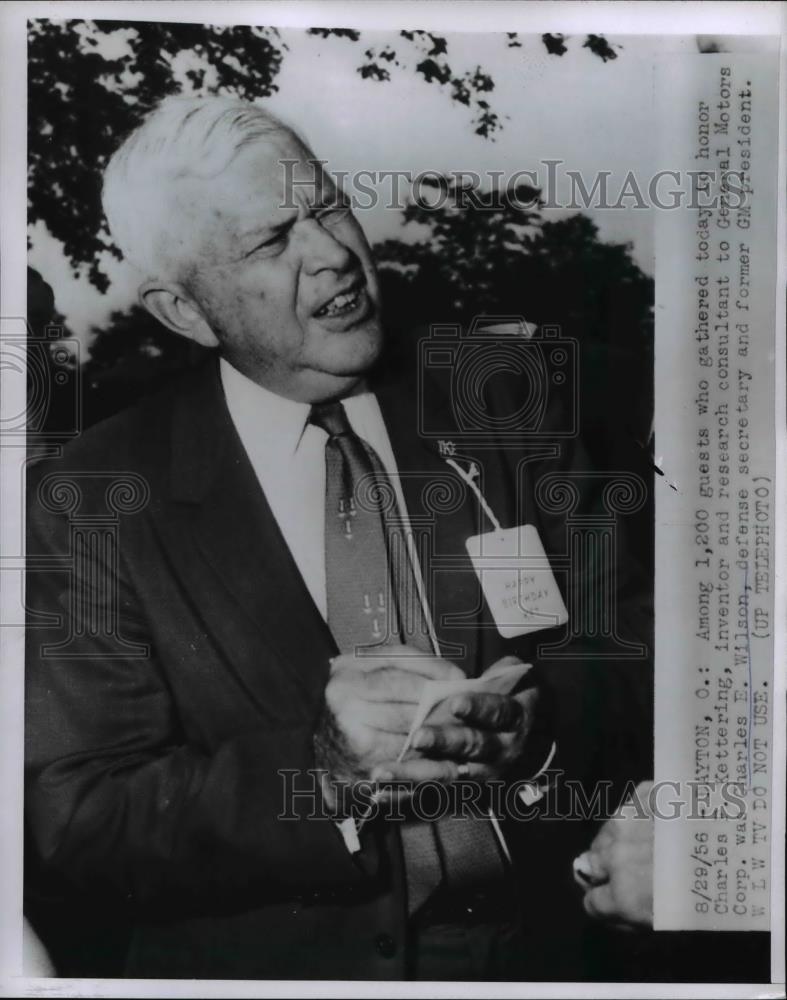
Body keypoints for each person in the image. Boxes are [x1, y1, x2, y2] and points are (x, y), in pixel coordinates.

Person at [24, 96, 653, 981]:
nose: (331, 253)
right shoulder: (92, 495)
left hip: (552, 957)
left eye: (324, 205)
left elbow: (636, 650)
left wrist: (539, 736)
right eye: (270, 241)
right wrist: (320, 777)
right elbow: (84, 819)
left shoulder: (502, 396)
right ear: (184, 310)